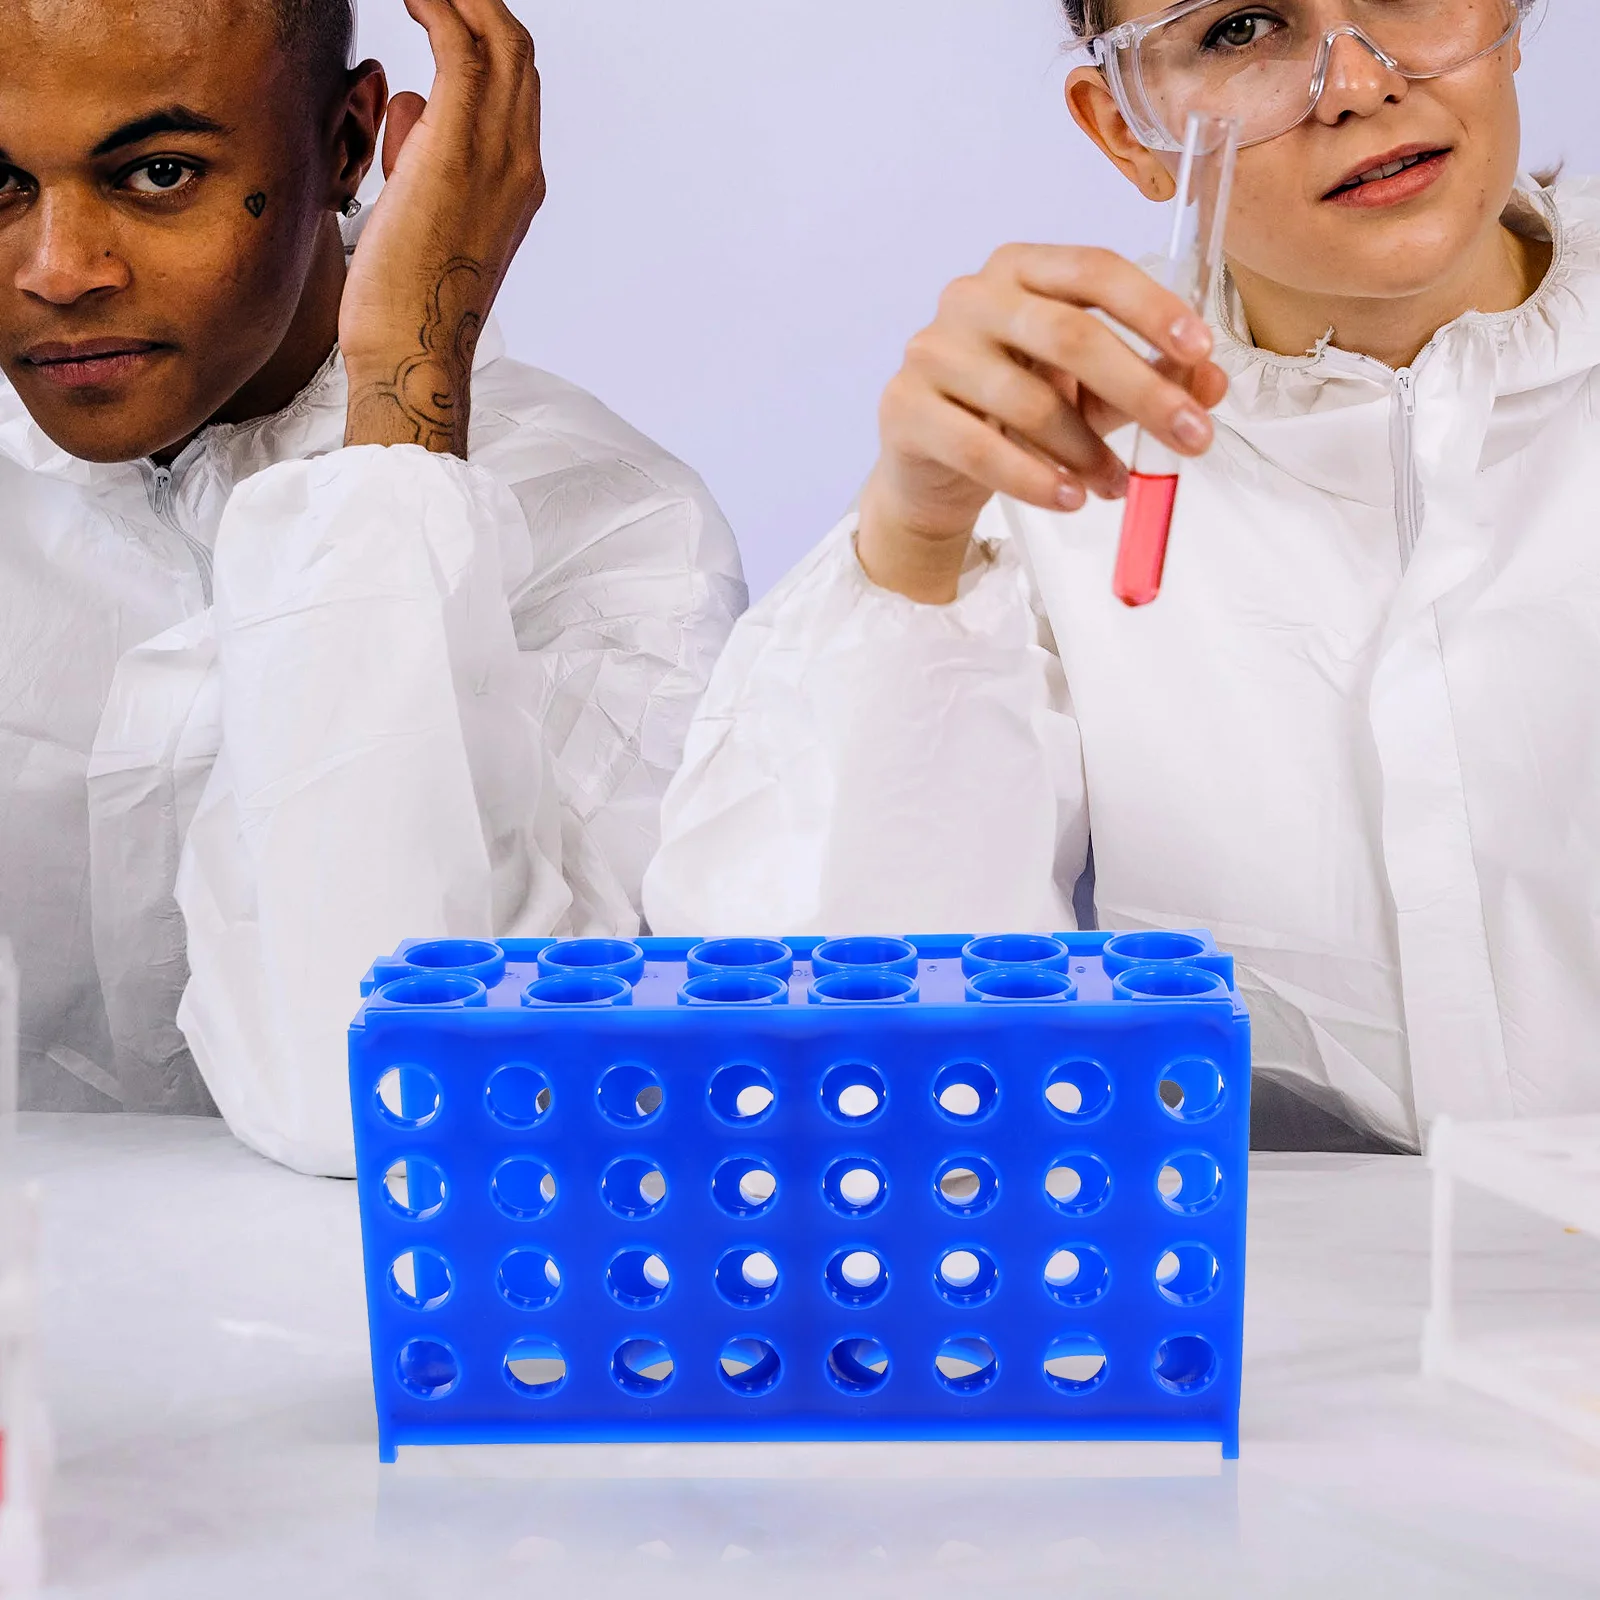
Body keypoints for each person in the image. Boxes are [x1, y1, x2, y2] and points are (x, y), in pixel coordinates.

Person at [645, 0, 1600, 1152]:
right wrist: (913, 551)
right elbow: (856, 1090)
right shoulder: (1053, 468)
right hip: (1284, 1315)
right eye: (1241, 29)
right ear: (1125, 126)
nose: (1354, 82)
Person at [0, 0, 745, 1176]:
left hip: (415, 1344)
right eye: (0, 184)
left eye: (156, 172)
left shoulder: (606, 530)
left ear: (348, 146)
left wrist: (399, 404)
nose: (58, 271)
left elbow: (397, 1108)